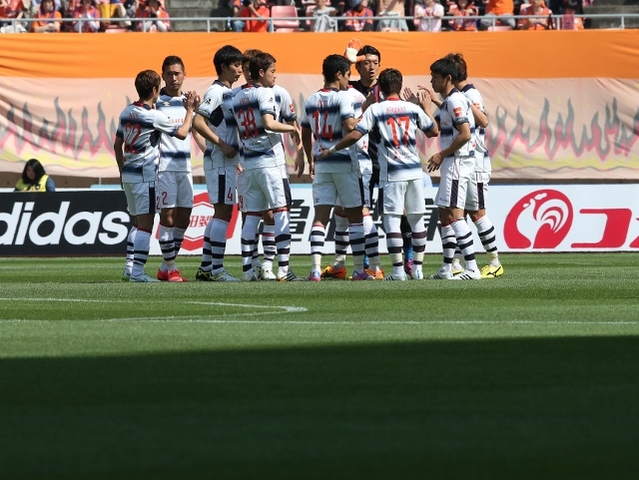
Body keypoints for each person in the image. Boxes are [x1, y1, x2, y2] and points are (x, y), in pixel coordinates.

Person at [317, 68, 439, 281]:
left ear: (380, 88)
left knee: (392, 221)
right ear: (400, 86)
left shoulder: (376, 109)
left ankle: (398, 271)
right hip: (414, 172)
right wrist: (427, 109)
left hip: (391, 174)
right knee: (417, 220)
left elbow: (356, 134)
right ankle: (418, 269)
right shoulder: (412, 108)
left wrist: (333, 149)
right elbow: (433, 131)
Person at [114, 70, 198, 283]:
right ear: (154, 90)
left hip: (129, 175)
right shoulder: (153, 115)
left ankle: (130, 268)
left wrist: (121, 171)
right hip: (146, 176)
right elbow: (182, 133)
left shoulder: (126, 111)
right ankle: (138, 273)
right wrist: (189, 111)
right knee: (145, 225)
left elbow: (117, 145)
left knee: (137, 223)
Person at [230, 52, 302, 282]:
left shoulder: (237, 96)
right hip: (270, 162)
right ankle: (283, 270)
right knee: (281, 212)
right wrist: (292, 129)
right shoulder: (265, 93)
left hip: (249, 163)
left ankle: (247, 270)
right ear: (261, 72)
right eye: (272, 71)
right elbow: (269, 123)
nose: (275, 76)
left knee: (252, 215)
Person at [301, 54, 370, 282]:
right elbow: (350, 126)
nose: (349, 81)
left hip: (322, 164)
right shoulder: (343, 97)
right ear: (339, 74)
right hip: (345, 163)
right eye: (348, 76)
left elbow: (305, 131)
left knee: (320, 218)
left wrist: (310, 158)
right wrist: (366, 115)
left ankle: (314, 270)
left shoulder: (311, 99)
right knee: (355, 217)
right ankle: (359, 270)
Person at [445, 53, 503, 278]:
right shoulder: (459, 96)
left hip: (477, 161)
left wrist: (467, 103)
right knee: (460, 214)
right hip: (468, 161)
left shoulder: (470, 94)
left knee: (477, 213)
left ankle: (494, 262)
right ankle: (457, 263)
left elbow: (483, 120)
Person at [426, 57, 481, 280]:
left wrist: (441, 154)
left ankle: (472, 268)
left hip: (458, 161)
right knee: (445, 213)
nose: (432, 81)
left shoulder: (455, 100)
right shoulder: (450, 100)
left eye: (435, 77)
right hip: (453, 162)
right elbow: (434, 129)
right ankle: (448, 268)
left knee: (456, 216)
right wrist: (423, 107)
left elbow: (465, 134)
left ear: (448, 78)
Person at [193, 45, 244, 283]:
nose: (240, 70)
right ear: (223, 67)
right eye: (236, 65)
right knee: (224, 212)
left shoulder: (227, 92)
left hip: (225, 162)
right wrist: (222, 144)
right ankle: (217, 269)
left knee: (220, 213)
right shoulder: (216, 91)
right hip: (220, 161)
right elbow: (198, 121)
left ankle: (206, 267)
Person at [154, 56, 204, 282]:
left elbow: (196, 131)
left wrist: (209, 152)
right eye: (169, 74)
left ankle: (165, 267)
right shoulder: (156, 102)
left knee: (184, 218)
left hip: (185, 167)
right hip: (164, 168)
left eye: (177, 73)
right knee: (168, 218)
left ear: (185, 75)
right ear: (162, 76)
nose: (174, 78)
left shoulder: (188, 102)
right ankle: (172, 268)